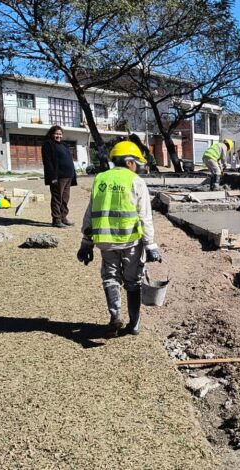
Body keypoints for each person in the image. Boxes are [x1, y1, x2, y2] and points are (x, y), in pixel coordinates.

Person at [76, 141, 162, 338]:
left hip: (105, 242)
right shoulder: (135, 181)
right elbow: (145, 216)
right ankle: (134, 324)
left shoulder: (100, 179)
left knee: (110, 278)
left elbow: (90, 212)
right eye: (137, 163)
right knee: (133, 282)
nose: (137, 167)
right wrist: (151, 246)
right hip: (130, 242)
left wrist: (86, 242)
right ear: (130, 162)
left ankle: (115, 316)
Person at [42, 125, 77, 228]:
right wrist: (52, 177)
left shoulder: (64, 145)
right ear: (51, 134)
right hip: (58, 177)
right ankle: (56, 220)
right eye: (56, 133)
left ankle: (63, 217)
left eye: (60, 134)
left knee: (65, 198)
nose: (58, 136)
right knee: (57, 198)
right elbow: (47, 162)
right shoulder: (48, 144)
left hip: (68, 176)